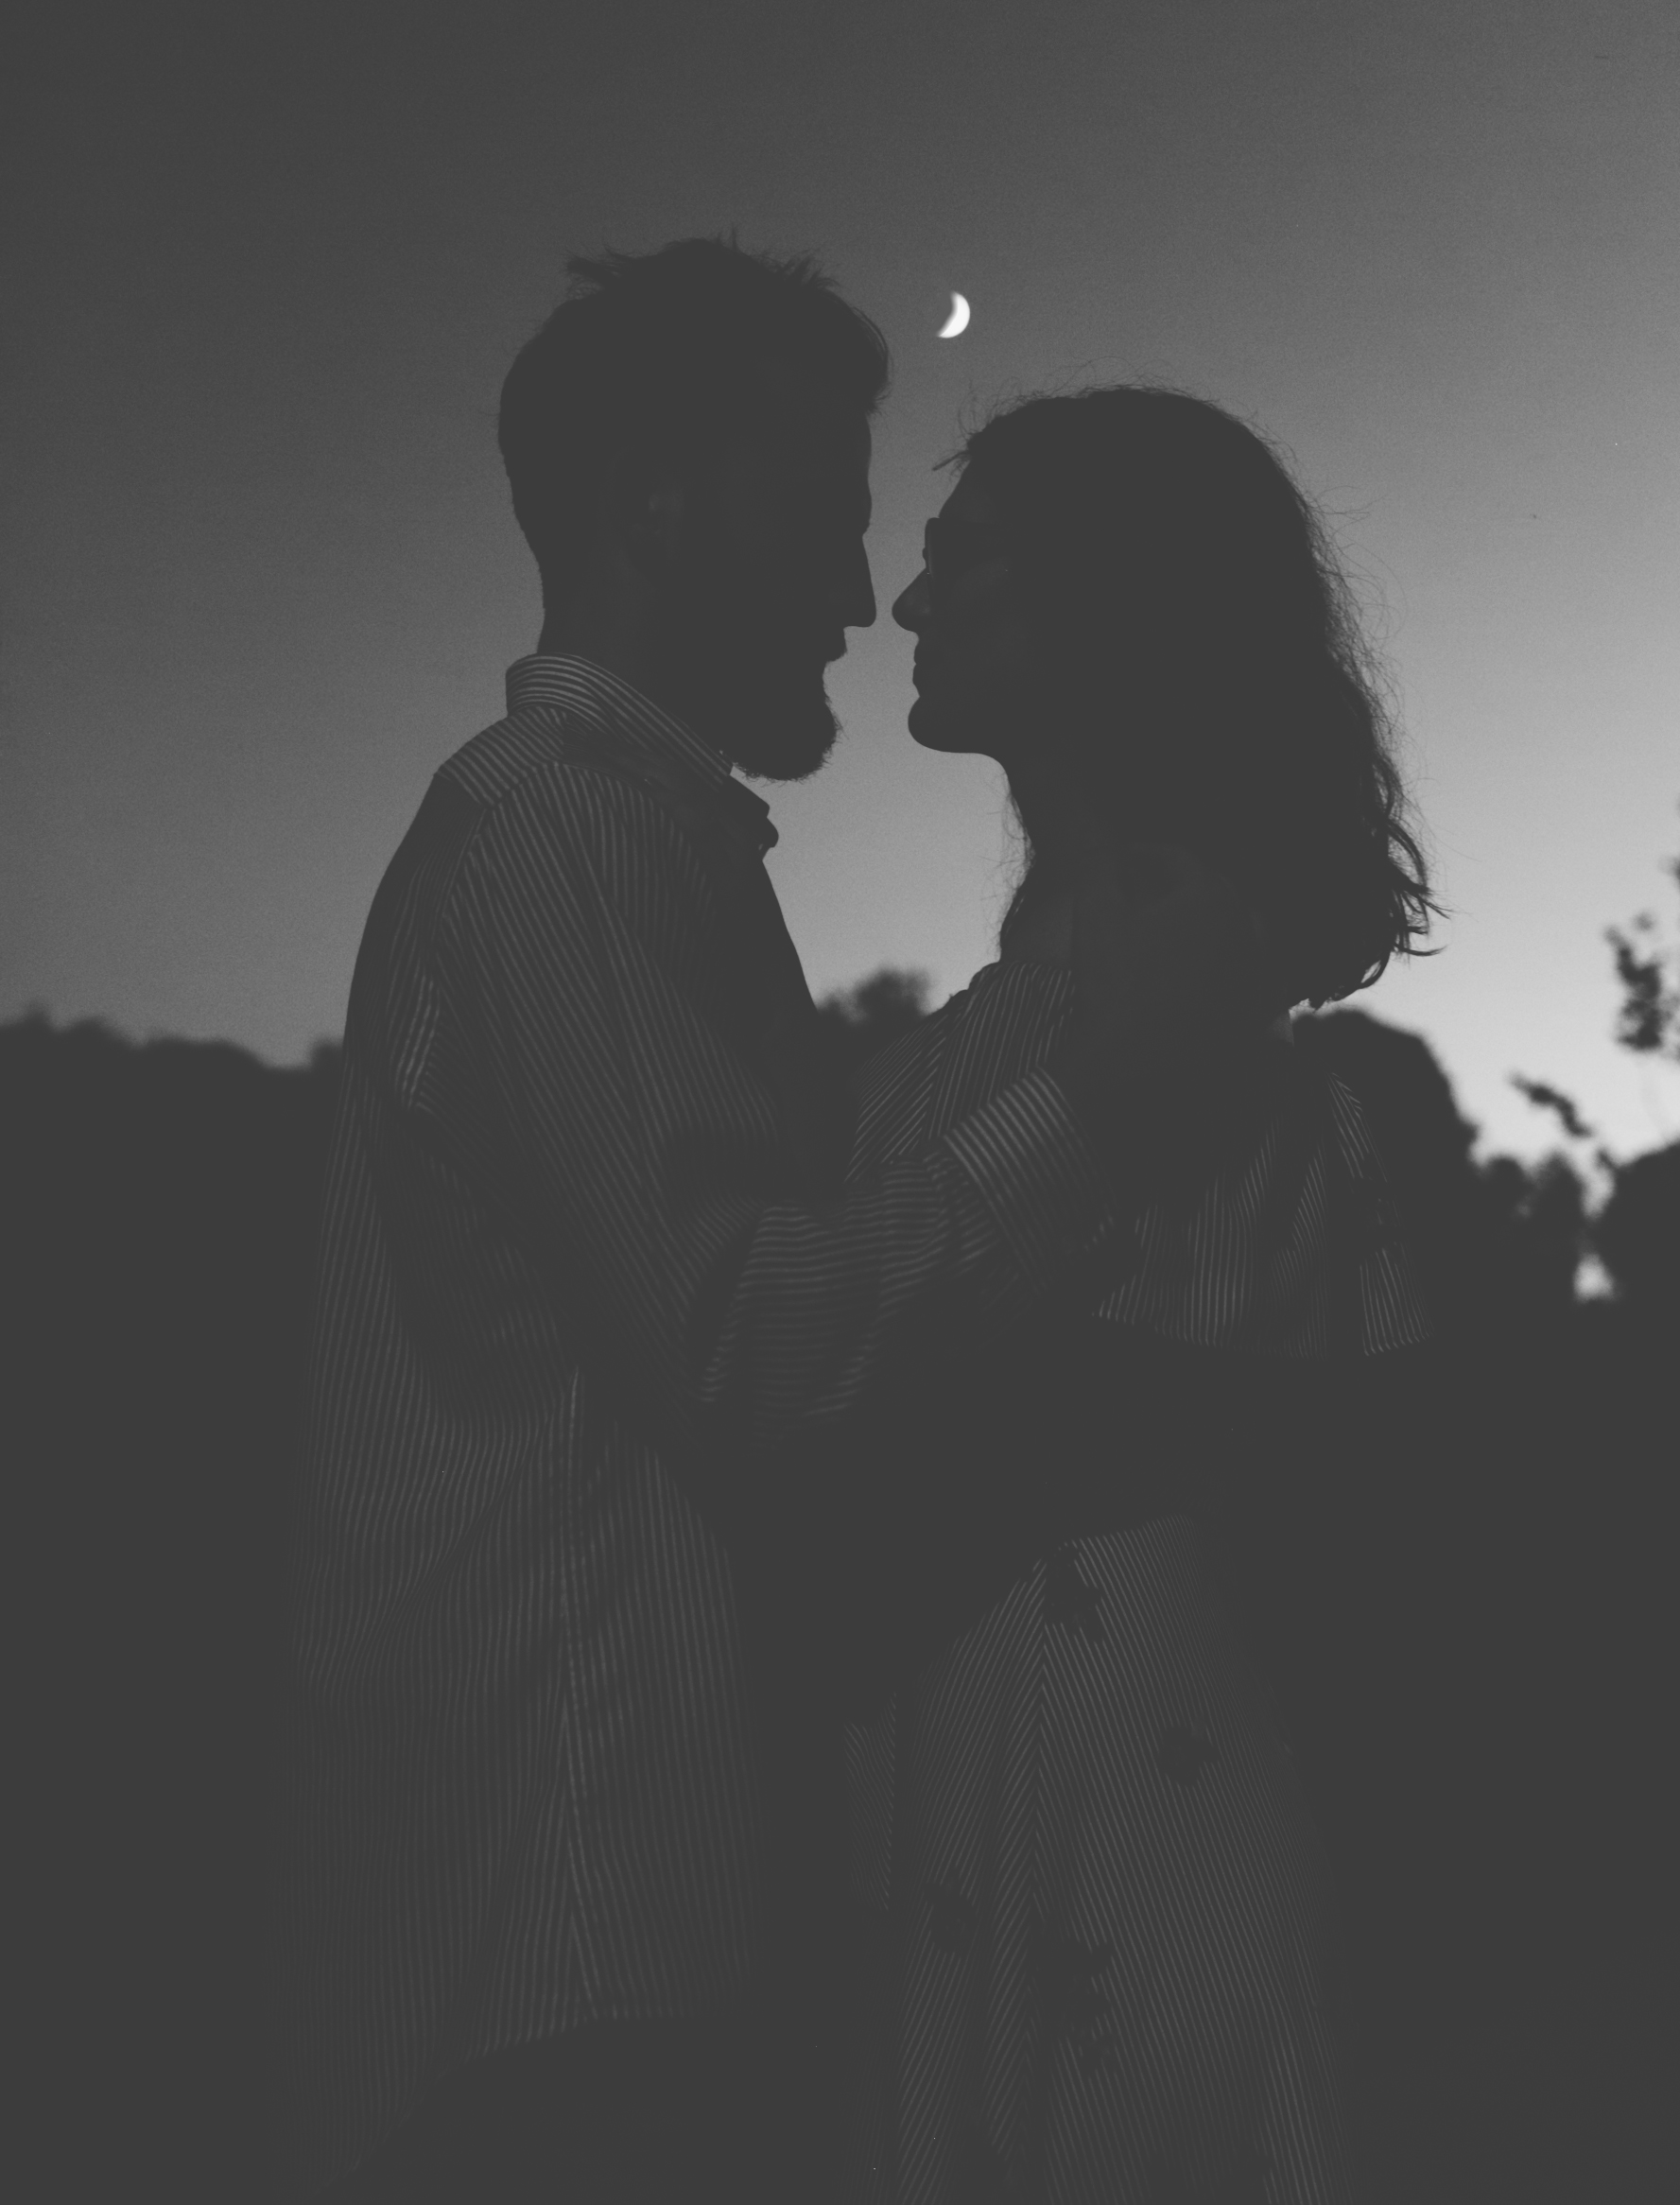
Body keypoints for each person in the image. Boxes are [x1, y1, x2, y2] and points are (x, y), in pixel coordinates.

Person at [274, 247, 1263, 2202]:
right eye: (815, 505)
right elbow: (754, 1344)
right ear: (659, 497)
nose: (851, 584)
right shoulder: (553, 838)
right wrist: (1091, 1111)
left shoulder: (631, 847)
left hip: (622, 1924)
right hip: (578, 1931)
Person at [816, 387, 1442, 2204]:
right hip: (972, 1794)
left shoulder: (1187, 967)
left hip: (1129, 1817)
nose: (913, 609)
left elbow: (1294, 1435)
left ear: (1104, 602)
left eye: (964, 562)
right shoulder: (1050, 993)